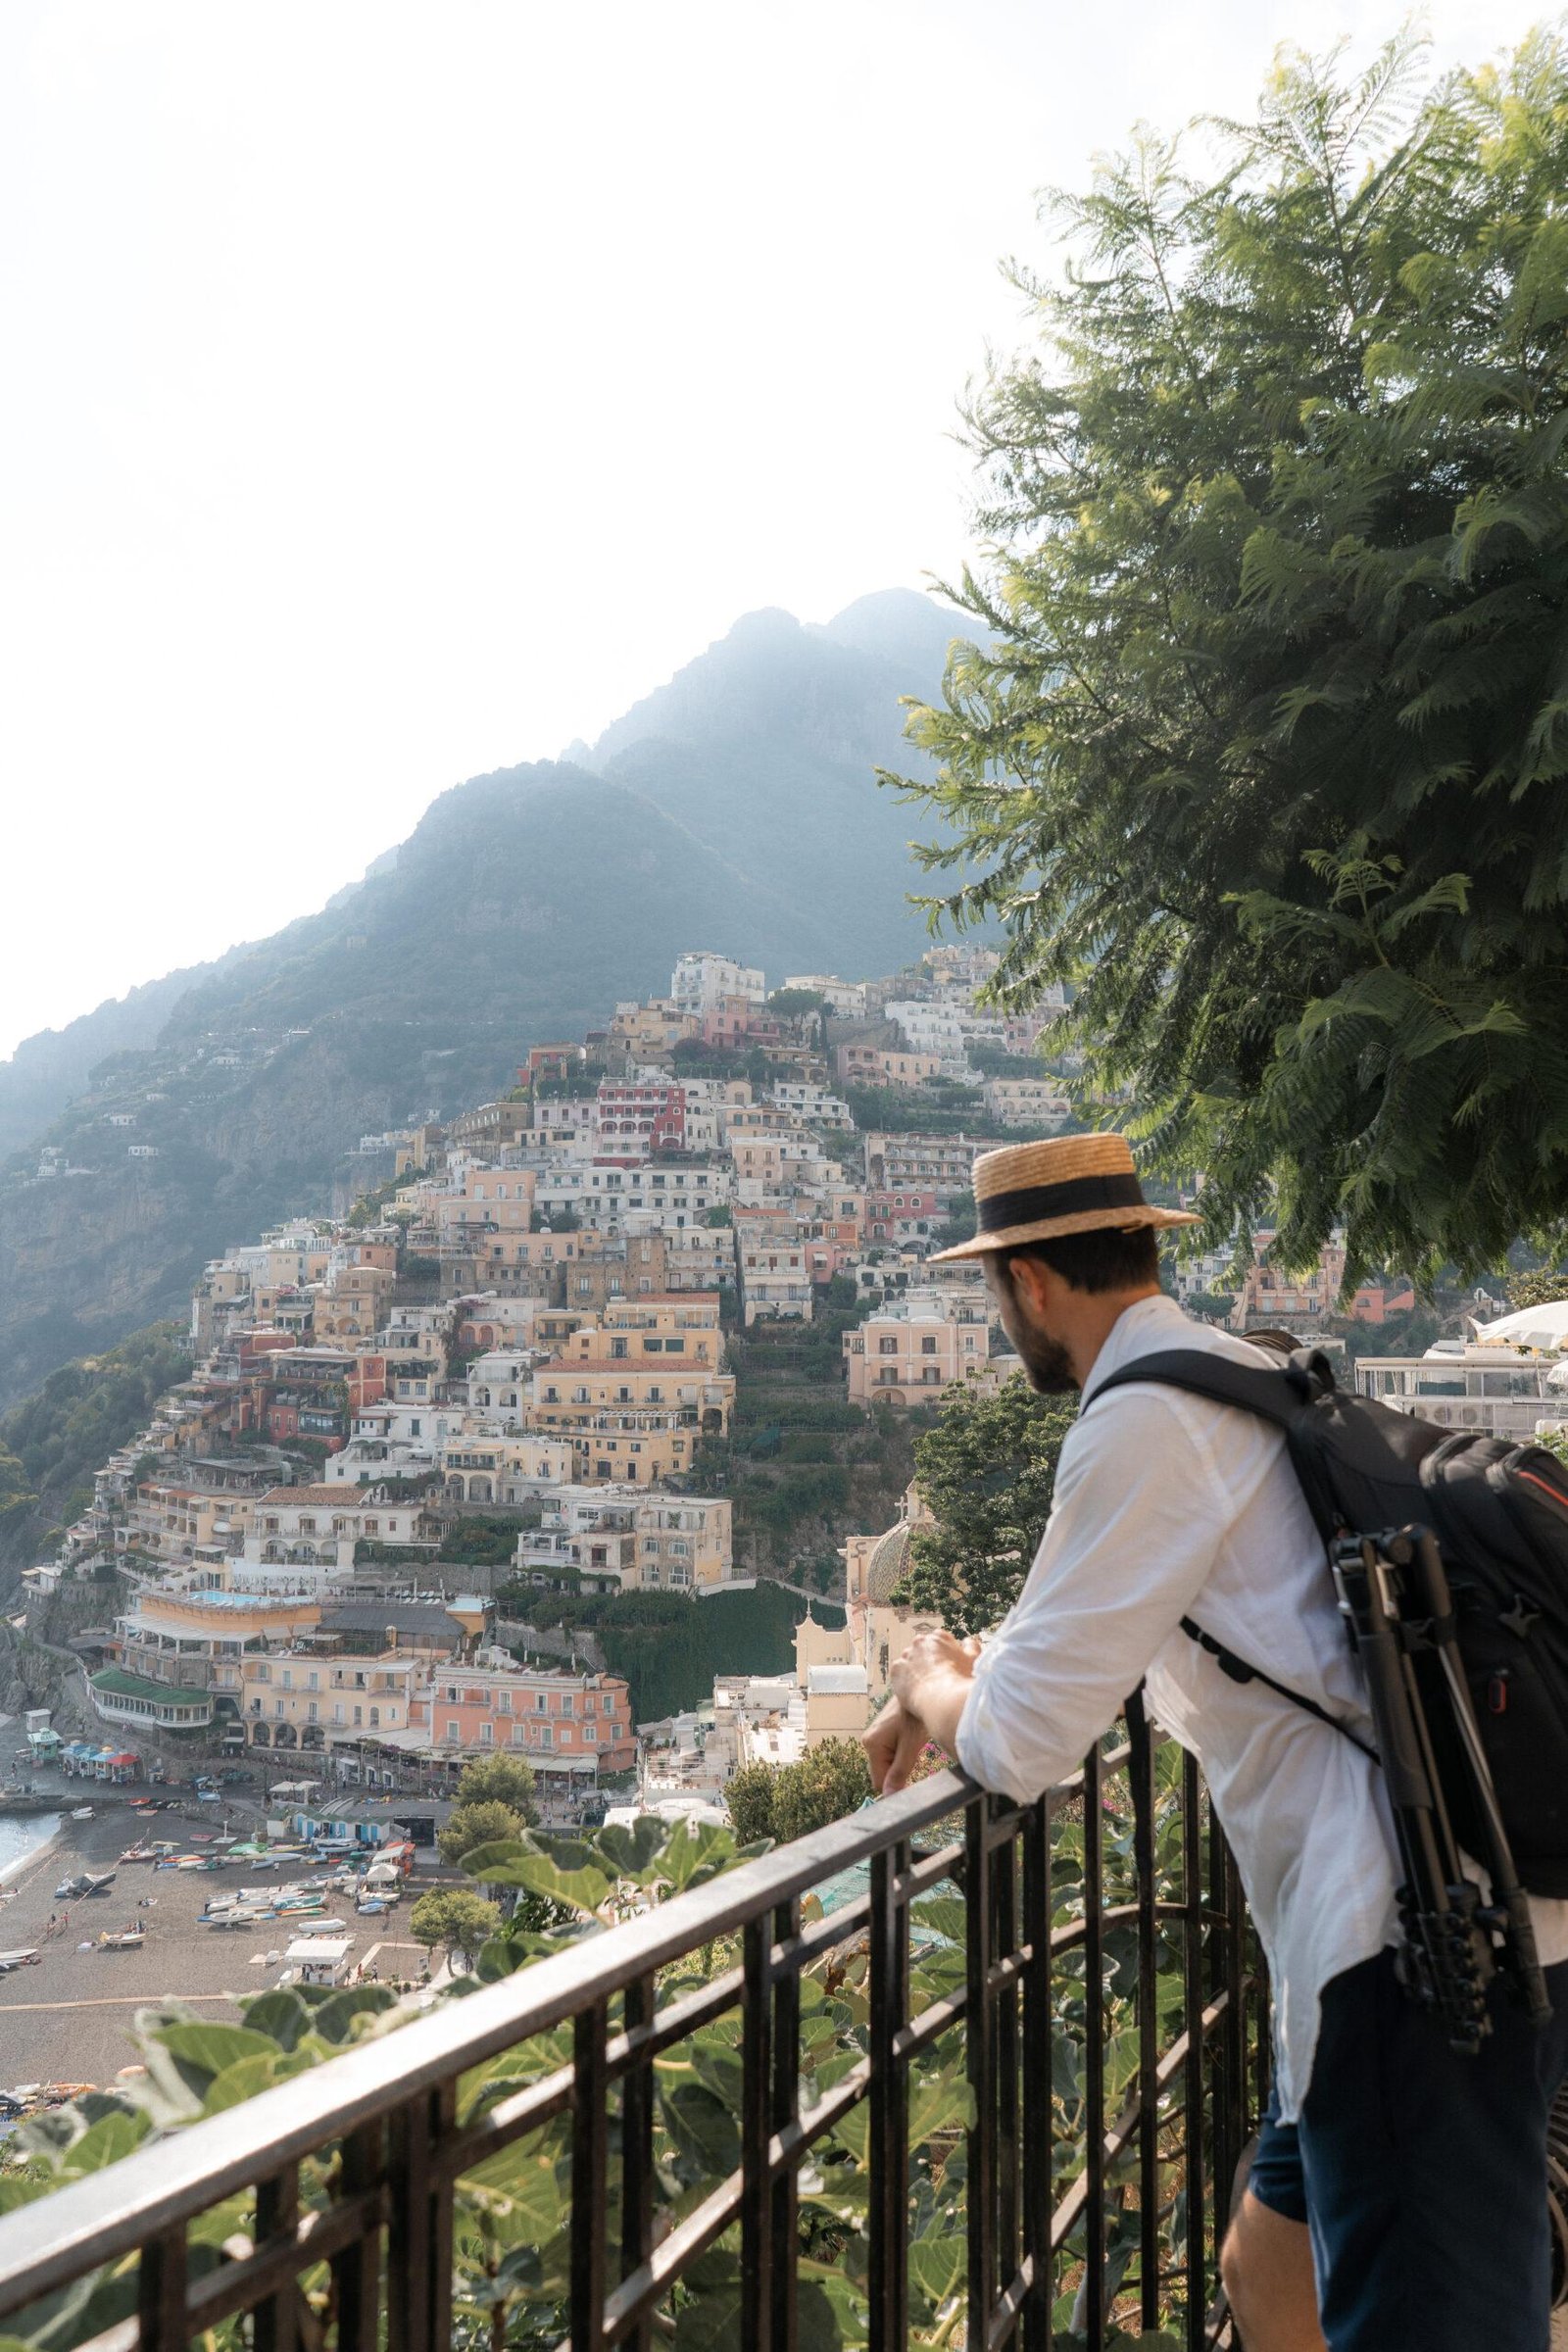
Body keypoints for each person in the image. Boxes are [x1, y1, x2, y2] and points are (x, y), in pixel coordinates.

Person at [862, 1133, 1568, 2352]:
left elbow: (1021, 1742)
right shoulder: (1236, 1371)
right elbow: (1075, 1618)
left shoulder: (1147, 1422)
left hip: (1402, 1947)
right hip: (1473, 1897)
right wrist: (971, 1669)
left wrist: (930, 1687)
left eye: (997, 1295)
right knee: (1267, 2264)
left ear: (1027, 1283)